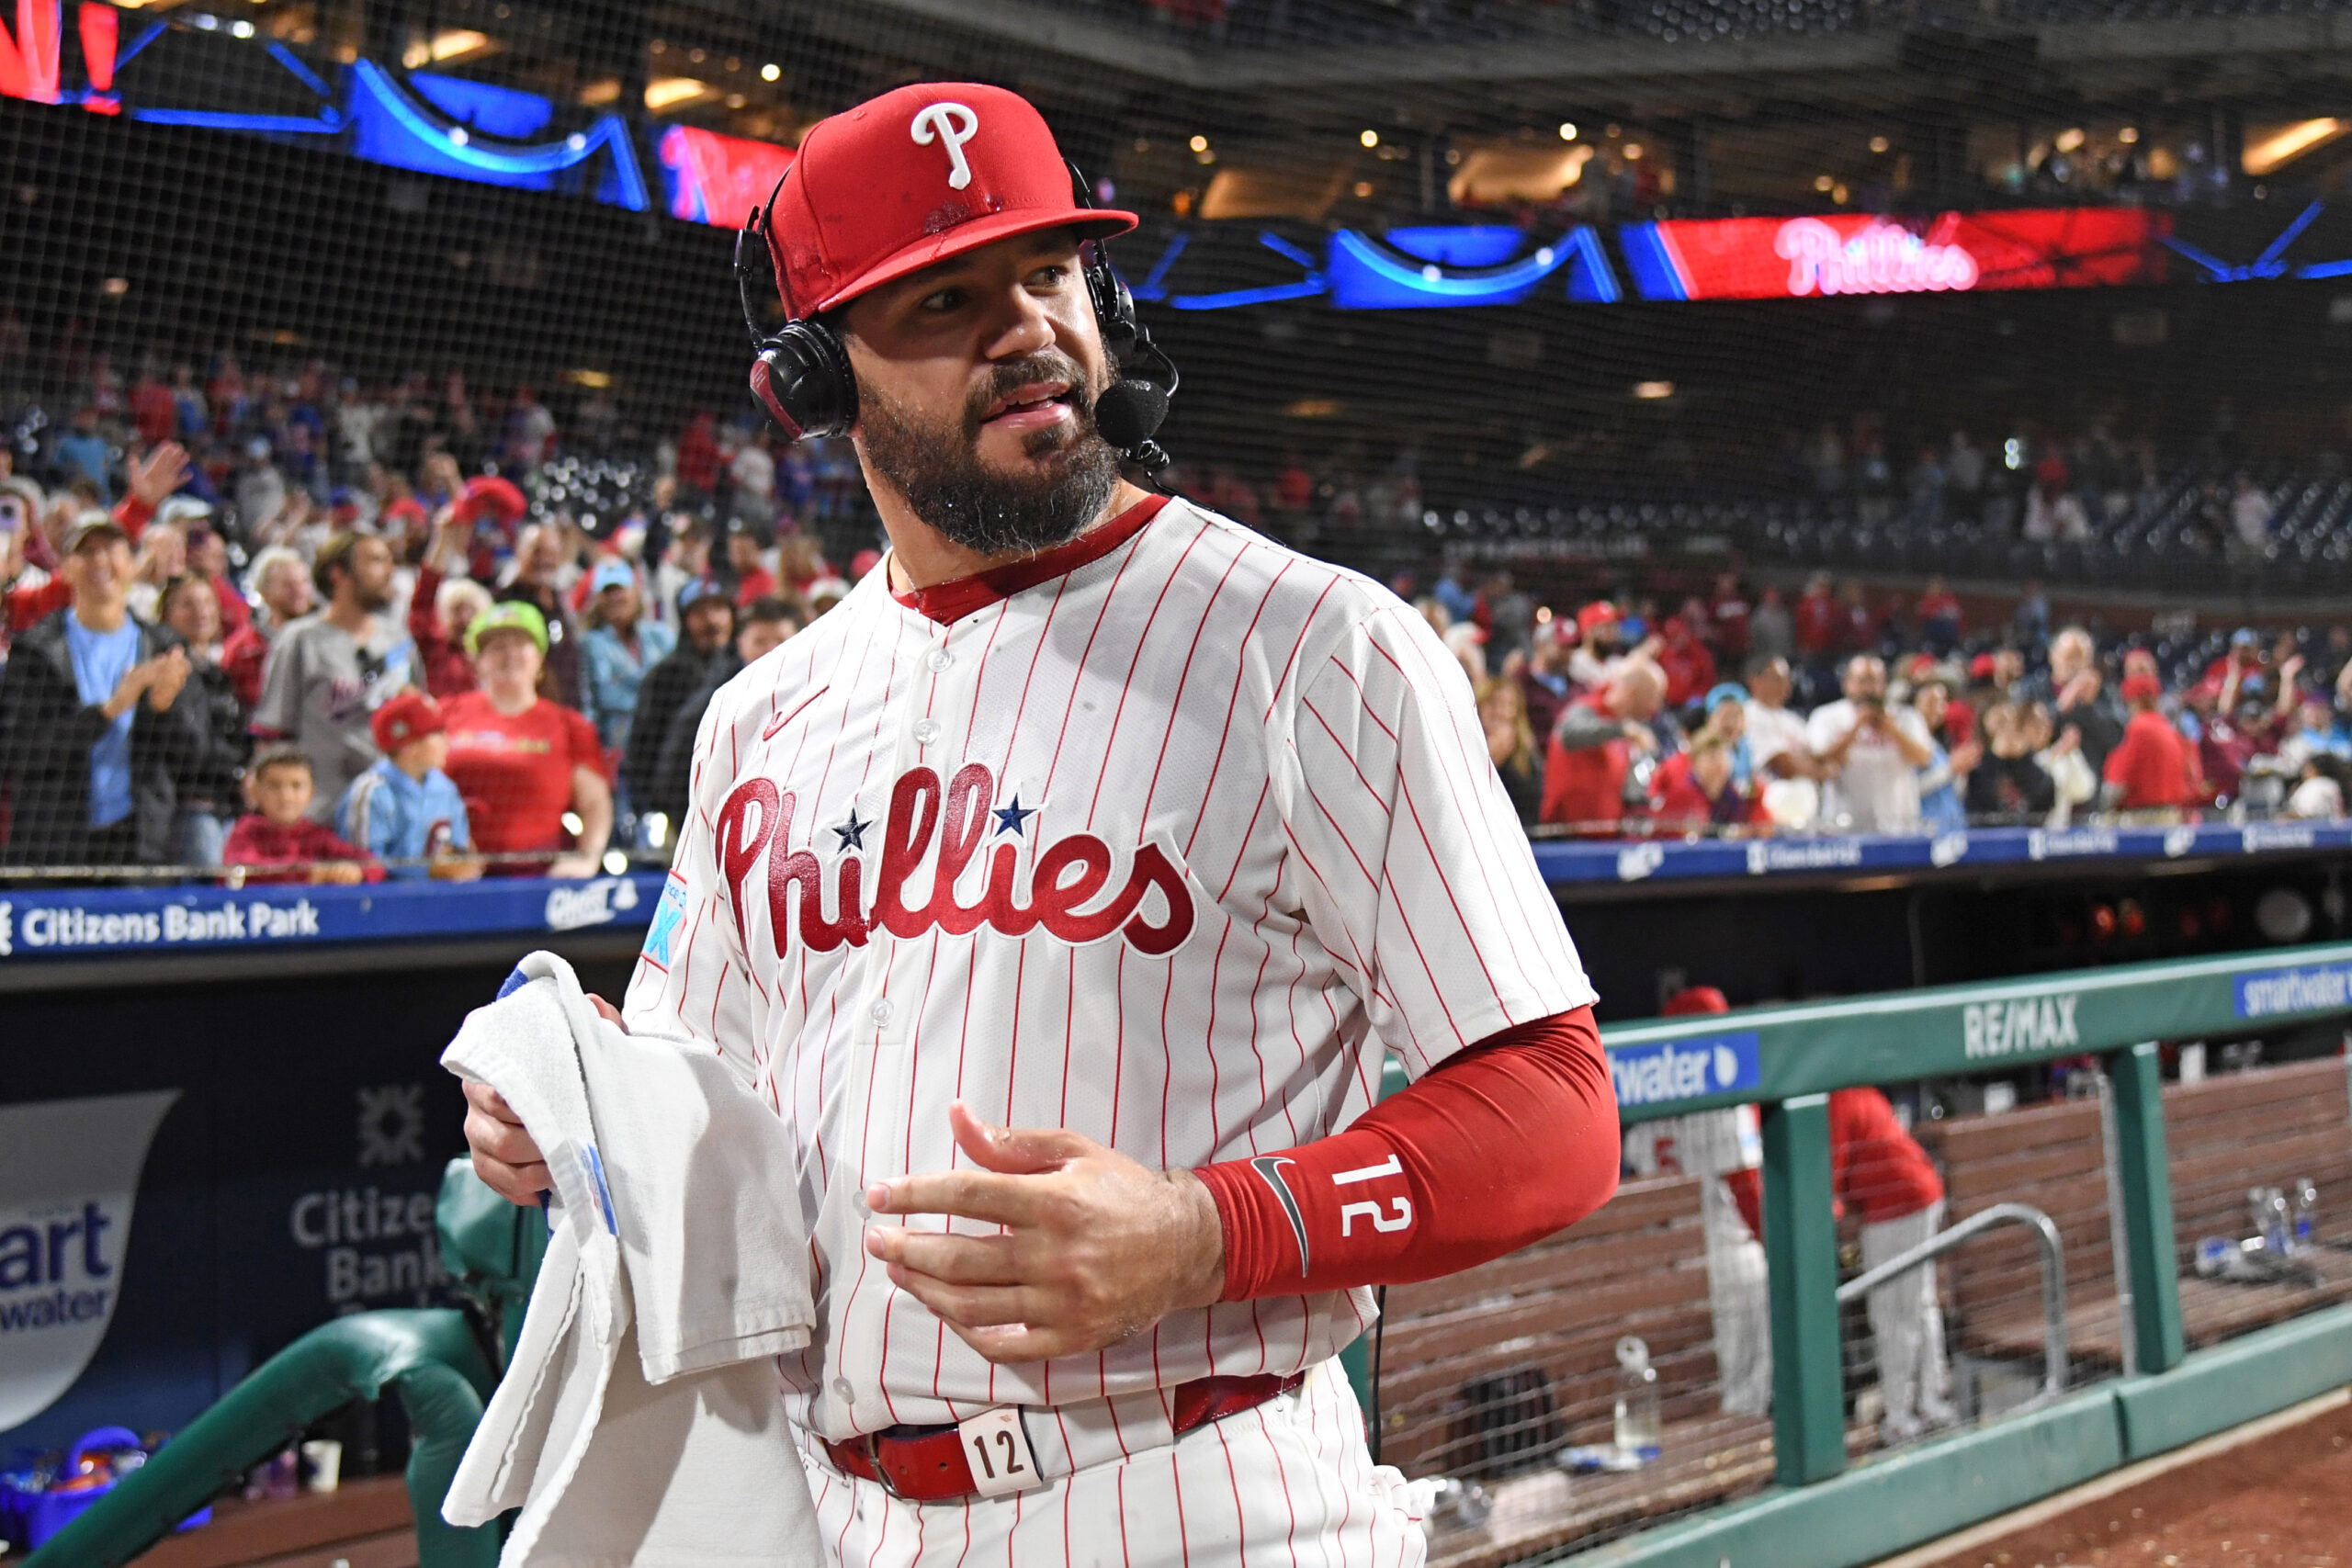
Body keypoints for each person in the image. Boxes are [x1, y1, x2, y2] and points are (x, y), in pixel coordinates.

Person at [460, 81, 1617, 1562]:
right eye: (945, 298)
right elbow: (706, 1100)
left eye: (1048, 271)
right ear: (813, 379)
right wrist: (571, 1121)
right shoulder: (763, 713)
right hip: (836, 1514)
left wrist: (1206, 1232)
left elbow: (1555, 1104)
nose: (1026, 328)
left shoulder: (1315, 646)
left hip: (1204, 1496)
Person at [0, 514, 198, 867]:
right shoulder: (36, 649)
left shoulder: (165, 646)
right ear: (66, 568)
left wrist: (163, 707)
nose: (100, 561)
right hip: (54, 844)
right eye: (87, 551)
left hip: (141, 846)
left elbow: (194, 757)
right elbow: (21, 751)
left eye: (110, 549)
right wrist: (110, 709)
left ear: (131, 562)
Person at [1622, 987, 1770, 1416]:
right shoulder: (1725, 1093)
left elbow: (1632, 1178)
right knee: (1742, 1389)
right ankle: (1744, 1451)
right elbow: (1746, 1187)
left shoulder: (1649, 1096)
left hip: (1674, 1264)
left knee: (1698, 1383)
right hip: (1730, 1255)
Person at [439, 601, 611, 878]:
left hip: (537, 881)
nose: (509, 655)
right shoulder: (446, 714)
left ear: (540, 659)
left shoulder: (570, 726)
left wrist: (586, 860)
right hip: (455, 880)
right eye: (496, 647)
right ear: (477, 663)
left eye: (520, 644)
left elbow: (595, 802)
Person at [253, 531, 415, 820]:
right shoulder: (300, 640)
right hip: (322, 811)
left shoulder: (399, 641)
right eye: (376, 561)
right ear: (338, 575)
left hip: (390, 808)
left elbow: (419, 724)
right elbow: (273, 733)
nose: (389, 572)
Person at [645, 594, 799, 820]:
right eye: (760, 641)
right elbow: (675, 772)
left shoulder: (820, 692)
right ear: (740, 643)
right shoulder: (717, 700)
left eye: (781, 640)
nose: (771, 650)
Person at [622, 579, 734, 824]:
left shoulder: (747, 671)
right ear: (685, 619)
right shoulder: (664, 676)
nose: (712, 621)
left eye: (719, 609)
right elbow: (641, 749)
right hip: (678, 810)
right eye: (701, 612)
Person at [337, 690, 480, 880]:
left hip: (440, 901)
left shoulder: (445, 788)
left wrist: (465, 864)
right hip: (386, 905)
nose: (447, 741)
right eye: (436, 733)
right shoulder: (372, 792)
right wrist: (428, 871)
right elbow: (363, 867)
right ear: (408, 746)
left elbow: (458, 849)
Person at [159, 572, 250, 865]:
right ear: (166, 615)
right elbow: (187, 743)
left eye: (207, 603)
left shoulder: (217, 672)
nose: (201, 612)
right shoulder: (165, 669)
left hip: (226, 805)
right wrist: (233, 771)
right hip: (189, 807)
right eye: (188, 605)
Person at [1808, 654, 1935, 833]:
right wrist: (1855, 728)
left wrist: (1892, 731)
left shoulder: (1907, 717)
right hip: (1845, 828)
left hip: (1899, 826)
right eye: (1863, 681)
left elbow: (1924, 759)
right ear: (1847, 683)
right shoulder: (1826, 717)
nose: (1870, 689)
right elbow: (1820, 762)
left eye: (1876, 681)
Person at [222, 743, 378, 884]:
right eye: (275, 786)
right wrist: (307, 875)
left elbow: (373, 865)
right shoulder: (245, 832)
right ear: (255, 792)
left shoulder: (316, 835)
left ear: (311, 793)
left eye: (296, 786)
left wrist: (354, 871)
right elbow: (243, 871)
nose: (286, 796)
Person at [1542, 658, 1666, 833]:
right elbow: (1568, 735)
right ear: (1632, 693)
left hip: (1603, 840)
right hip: (1567, 839)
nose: (1655, 707)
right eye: (1654, 697)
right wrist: (1622, 730)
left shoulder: (1622, 731)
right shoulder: (1586, 709)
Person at [579, 558, 677, 770]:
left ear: (635, 592)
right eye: (607, 592)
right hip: (618, 748)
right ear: (597, 600)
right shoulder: (590, 644)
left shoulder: (660, 636)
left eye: (620, 589)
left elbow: (677, 686)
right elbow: (598, 699)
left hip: (664, 741)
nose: (616, 597)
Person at [220, 546, 313, 709]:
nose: (299, 591)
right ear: (264, 591)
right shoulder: (242, 649)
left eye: (304, 582)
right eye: (288, 585)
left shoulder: (328, 639)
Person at [2102, 671, 2199, 818]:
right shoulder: (2168, 728)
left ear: (2133, 701)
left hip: (2144, 817)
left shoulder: (2137, 728)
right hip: (2172, 814)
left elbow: (2117, 785)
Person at [1744, 654, 1822, 829]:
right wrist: (1814, 768)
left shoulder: (1794, 721)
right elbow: (1784, 767)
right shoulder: (1749, 715)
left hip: (1806, 815)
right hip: (1769, 814)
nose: (1785, 684)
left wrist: (1811, 767)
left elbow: (1824, 763)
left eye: (1787, 678)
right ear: (1755, 680)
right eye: (1777, 678)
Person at [1477, 669, 1541, 821]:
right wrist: (1489, 759)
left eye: (1509, 705)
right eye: (1494, 704)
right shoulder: (1468, 748)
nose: (1502, 712)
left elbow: (1534, 799)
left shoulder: (1526, 751)